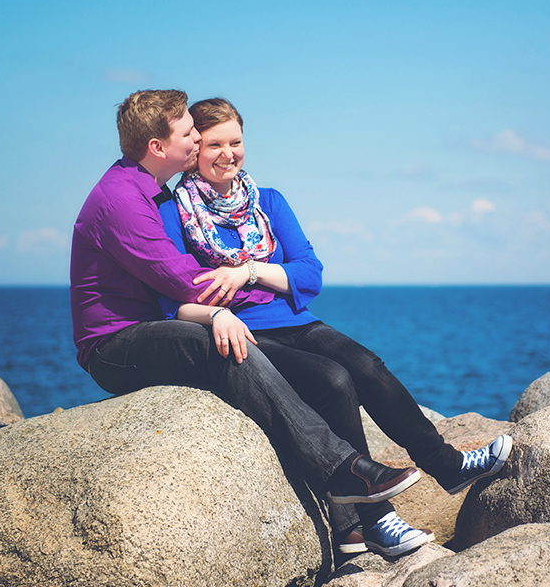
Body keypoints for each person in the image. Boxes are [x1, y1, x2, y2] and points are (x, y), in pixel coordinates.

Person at [70, 89, 428, 557]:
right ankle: (342, 469)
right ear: (158, 147)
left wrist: (239, 283)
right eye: (188, 133)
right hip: (116, 345)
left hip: (151, 328)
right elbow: (181, 279)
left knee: (330, 374)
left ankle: (353, 517)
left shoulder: (149, 189)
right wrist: (238, 295)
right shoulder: (123, 199)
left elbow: (198, 280)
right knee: (225, 347)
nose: (198, 140)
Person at [157, 97, 513, 557]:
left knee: (367, 365)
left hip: (294, 320)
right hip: (240, 332)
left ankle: (449, 466)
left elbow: (310, 273)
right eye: (214, 145)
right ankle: (377, 520)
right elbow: (177, 293)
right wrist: (245, 288)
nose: (228, 153)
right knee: (334, 381)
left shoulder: (267, 201)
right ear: (194, 149)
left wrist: (247, 271)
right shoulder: (174, 210)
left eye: (236, 142)